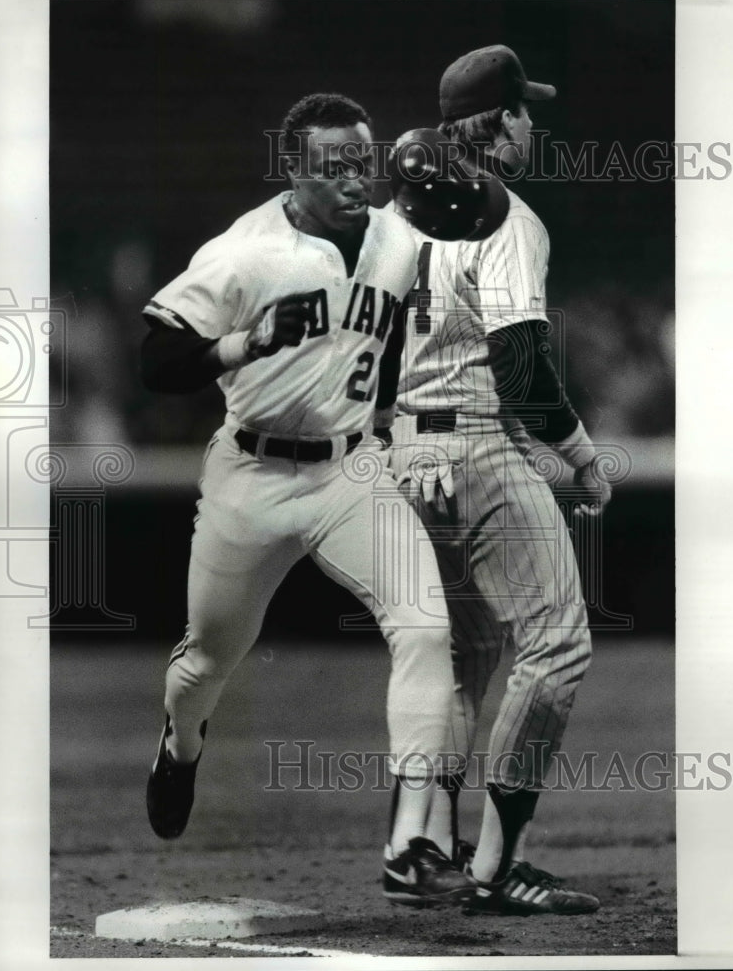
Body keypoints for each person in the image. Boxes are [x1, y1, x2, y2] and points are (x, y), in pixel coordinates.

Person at [139, 92, 473, 907]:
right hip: (251, 478)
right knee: (206, 665)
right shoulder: (247, 252)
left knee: (428, 629)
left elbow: (407, 317)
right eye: (333, 167)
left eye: (362, 162)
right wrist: (241, 342)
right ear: (295, 170)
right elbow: (156, 359)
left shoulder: (398, 236)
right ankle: (181, 748)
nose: (353, 180)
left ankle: (412, 843)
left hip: (352, 473)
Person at [388, 46, 612, 915]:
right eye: (523, 110)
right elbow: (519, 367)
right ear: (499, 120)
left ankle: (422, 850)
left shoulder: (397, 216)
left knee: (467, 652)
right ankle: (496, 866)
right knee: (557, 645)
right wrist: (584, 461)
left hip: (405, 451)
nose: (533, 123)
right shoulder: (508, 220)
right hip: (477, 447)